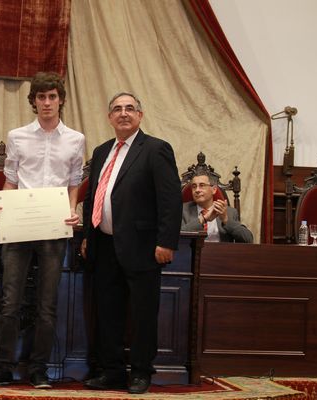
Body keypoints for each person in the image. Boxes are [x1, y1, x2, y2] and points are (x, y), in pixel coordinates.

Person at [0, 72, 85, 389]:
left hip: (54, 226)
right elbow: (10, 180)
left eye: (52, 96)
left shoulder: (76, 139)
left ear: (61, 100)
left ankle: (39, 370)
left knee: (47, 304)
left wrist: (72, 210)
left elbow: (74, 183)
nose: (47, 102)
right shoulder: (18, 136)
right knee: (10, 300)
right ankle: (3, 368)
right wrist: (1, 207)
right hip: (20, 224)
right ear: (34, 101)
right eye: (41, 97)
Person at [80, 92, 182, 394]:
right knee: (108, 312)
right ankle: (111, 372)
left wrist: (166, 241)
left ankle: (140, 372)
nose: (123, 113)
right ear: (109, 117)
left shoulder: (156, 149)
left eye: (129, 108)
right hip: (104, 245)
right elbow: (93, 197)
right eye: (117, 109)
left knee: (141, 314)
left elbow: (170, 199)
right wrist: (87, 236)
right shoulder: (101, 151)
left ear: (140, 115)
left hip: (143, 246)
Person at [181, 172, 253, 243]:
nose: (197, 190)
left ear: (214, 190)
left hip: (221, 251)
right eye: (194, 186)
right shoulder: (182, 210)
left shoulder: (229, 212)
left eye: (202, 185)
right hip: (193, 250)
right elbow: (177, 237)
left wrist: (226, 220)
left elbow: (248, 239)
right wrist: (203, 219)